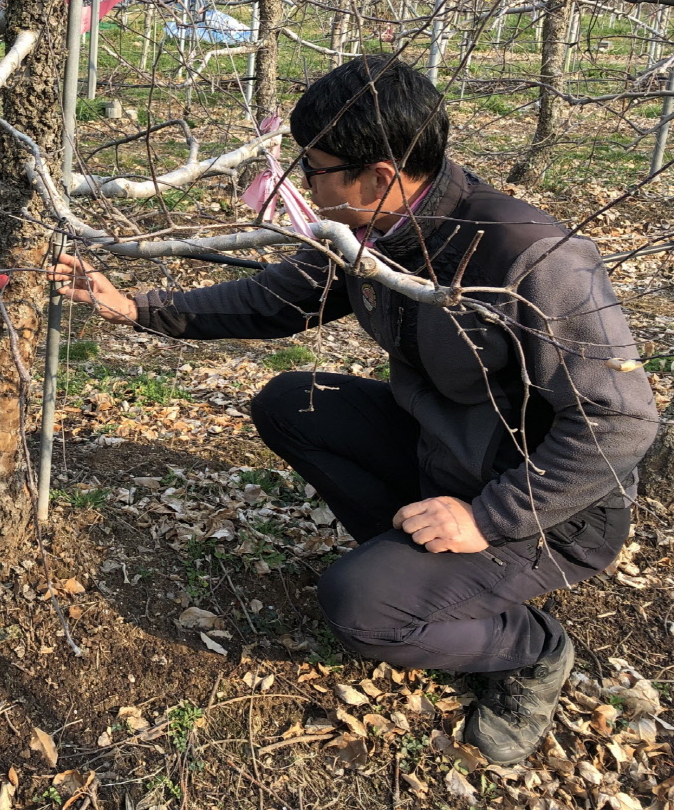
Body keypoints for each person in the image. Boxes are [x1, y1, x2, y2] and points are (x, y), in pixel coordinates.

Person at [50, 55, 657, 765]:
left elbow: (623, 420)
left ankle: (530, 652)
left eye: (314, 171)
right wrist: (138, 307)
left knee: (357, 607)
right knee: (291, 403)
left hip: (547, 509)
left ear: (377, 177)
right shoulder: (374, 233)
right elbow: (277, 297)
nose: (303, 187)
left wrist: (487, 518)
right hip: (447, 451)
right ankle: (416, 567)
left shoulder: (527, 255)